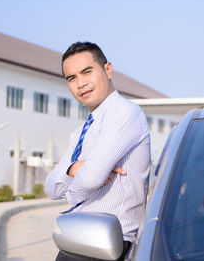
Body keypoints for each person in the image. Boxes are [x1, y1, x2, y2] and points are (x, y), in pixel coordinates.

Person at [45, 42, 151, 261]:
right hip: (81, 238)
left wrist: (73, 193)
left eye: (87, 72)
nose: (80, 83)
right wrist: (75, 168)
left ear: (108, 70)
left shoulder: (124, 113)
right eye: (71, 78)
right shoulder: (84, 129)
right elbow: (52, 188)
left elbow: (90, 180)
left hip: (109, 242)